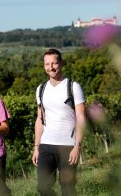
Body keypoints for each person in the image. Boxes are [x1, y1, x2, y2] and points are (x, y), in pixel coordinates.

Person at [32, 49, 86, 196]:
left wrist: (77, 145)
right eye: (47, 64)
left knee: (68, 188)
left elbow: (81, 117)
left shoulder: (73, 87)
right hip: (46, 145)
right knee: (43, 187)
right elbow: (40, 119)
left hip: (67, 146)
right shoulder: (41, 89)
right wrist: (36, 147)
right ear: (44, 66)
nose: (51, 67)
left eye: (54, 63)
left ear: (61, 63)